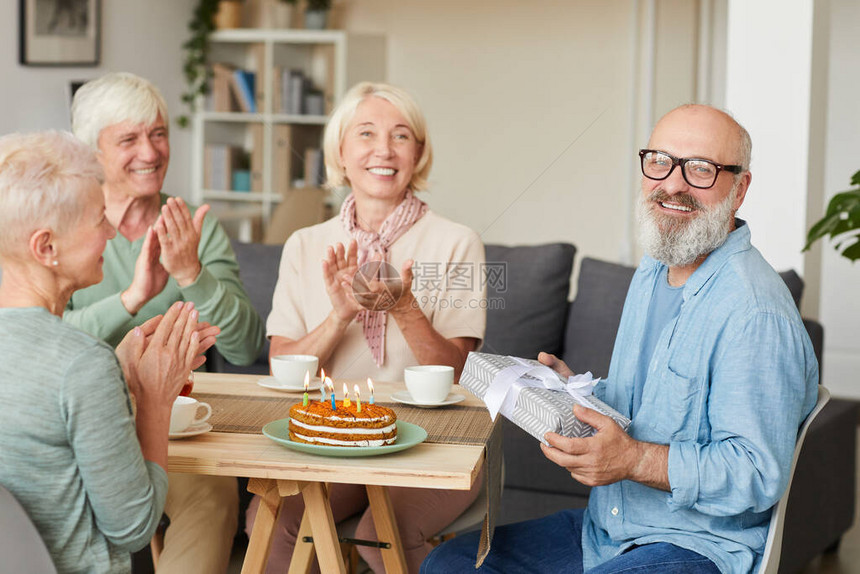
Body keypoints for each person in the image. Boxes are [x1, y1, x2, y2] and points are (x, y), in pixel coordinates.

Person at [422, 104, 820, 574]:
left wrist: (632, 460)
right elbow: (652, 404)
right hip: (608, 531)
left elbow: (756, 474)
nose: (673, 184)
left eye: (700, 169)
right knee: (449, 564)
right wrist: (573, 391)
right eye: (660, 161)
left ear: (739, 189)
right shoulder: (655, 267)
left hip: (694, 547)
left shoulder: (755, 313)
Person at [246, 81, 487, 573]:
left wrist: (404, 308)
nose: (384, 149)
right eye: (366, 134)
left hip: (436, 441)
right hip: (338, 436)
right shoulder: (303, 244)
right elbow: (282, 364)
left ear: (418, 154)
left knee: (382, 532)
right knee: (271, 517)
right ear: (340, 151)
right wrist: (338, 316)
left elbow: (459, 376)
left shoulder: (458, 242)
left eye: (401, 136)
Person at [66, 72, 265, 573]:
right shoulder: (67, 226)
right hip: (82, 425)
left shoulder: (194, 226)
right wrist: (133, 299)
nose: (150, 153)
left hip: (177, 427)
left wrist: (191, 273)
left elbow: (244, 347)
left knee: (214, 499)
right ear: (93, 153)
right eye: (129, 139)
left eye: (158, 134)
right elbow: (47, 343)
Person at [0, 131, 215, 573]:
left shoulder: (80, 366)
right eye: (99, 219)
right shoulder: (80, 365)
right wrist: (155, 399)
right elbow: (134, 527)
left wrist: (115, 375)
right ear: (46, 247)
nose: (113, 232)